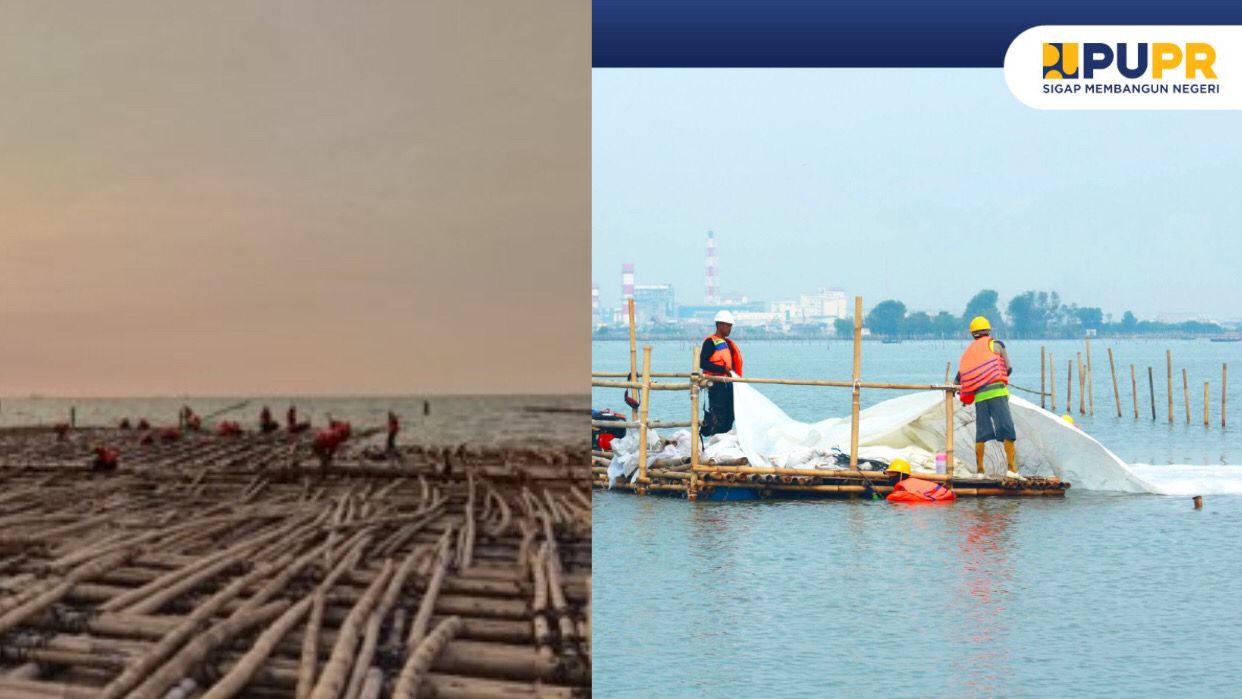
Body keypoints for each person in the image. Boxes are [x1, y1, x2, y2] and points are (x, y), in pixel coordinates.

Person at [955, 316, 1020, 479]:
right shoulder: (997, 344)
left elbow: (959, 379)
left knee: (982, 432)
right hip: (997, 393)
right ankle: (1012, 470)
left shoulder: (968, 353)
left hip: (980, 397)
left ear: (972, 334)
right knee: (1006, 429)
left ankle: (980, 471)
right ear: (988, 331)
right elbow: (1008, 368)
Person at [699, 310, 743, 437]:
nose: (730, 329)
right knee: (719, 416)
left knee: (730, 415)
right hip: (716, 385)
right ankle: (716, 440)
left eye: (730, 326)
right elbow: (703, 363)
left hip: (728, 385)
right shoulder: (710, 342)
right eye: (728, 325)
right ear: (719, 325)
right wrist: (723, 369)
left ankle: (724, 441)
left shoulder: (727, 344)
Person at [884, 458, 956, 503]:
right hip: (948, 498)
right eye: (888, 473)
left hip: (941, 503)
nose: (889, 476)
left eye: (892, 473)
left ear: (901, 474)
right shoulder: (913, 482)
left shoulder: (902, 491)